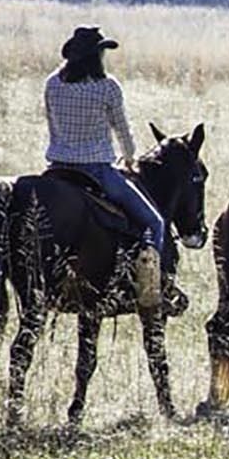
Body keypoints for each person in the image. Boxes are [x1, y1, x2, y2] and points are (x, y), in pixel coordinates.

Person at [43, 25, 176, 300]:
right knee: (155, 223)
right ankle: (150, 290)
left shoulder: (53, 83)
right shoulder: (107, 87)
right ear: (96, 56)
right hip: (97, 170)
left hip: (56, 169)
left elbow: (52, 125)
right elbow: (122, 130)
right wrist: (129, 158)